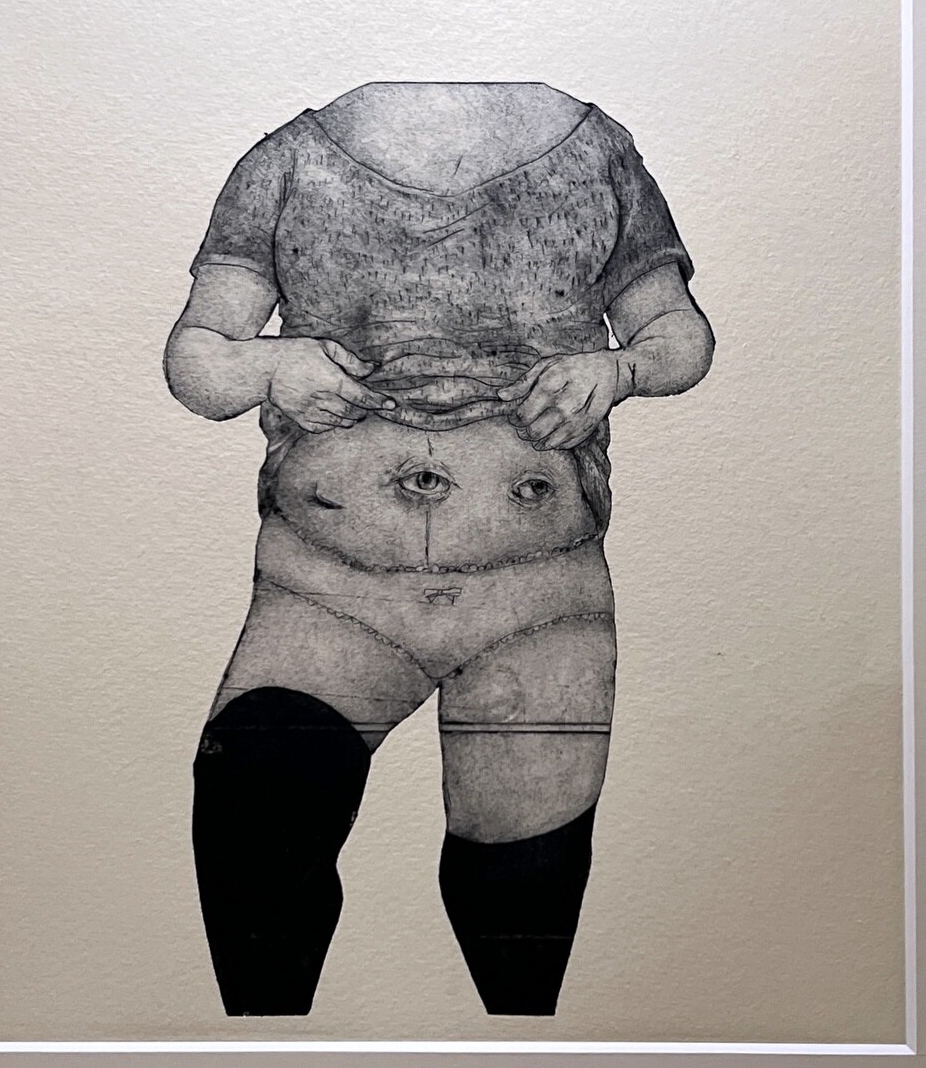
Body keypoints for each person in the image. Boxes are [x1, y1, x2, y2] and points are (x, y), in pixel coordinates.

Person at [165, 81, 715, 1018]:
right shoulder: (288, 160)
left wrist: (616, 369)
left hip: (534, 602)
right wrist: (270, 363)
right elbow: (198, 357)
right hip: (326, 589)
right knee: (252, 817)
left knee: (520, 888)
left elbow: (679, 334)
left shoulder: (595, 151)